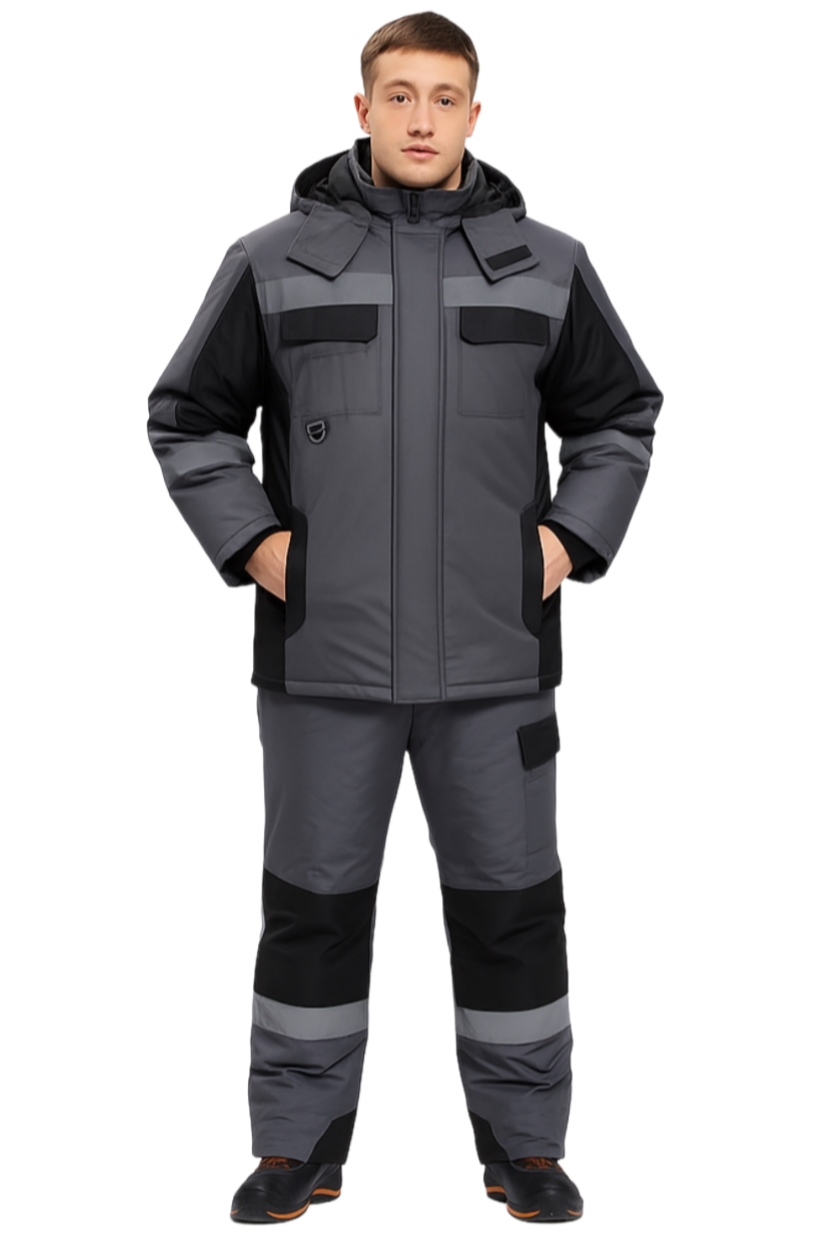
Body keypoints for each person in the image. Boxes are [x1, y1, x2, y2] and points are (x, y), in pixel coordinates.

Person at [147, 9, 663, 1227]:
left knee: (513, 911)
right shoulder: (272, 261)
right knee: (312, 910)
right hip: (323, 660)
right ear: (362, 108)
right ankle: (297, 1145)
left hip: (498, 662)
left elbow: (618, 416)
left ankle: (526, 1147)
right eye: (399, 95)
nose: (421, 118)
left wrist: (567, 540)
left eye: (444, 97)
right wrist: (257, 542)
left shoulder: (548, 265)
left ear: (476, 114)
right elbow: (188, 417)